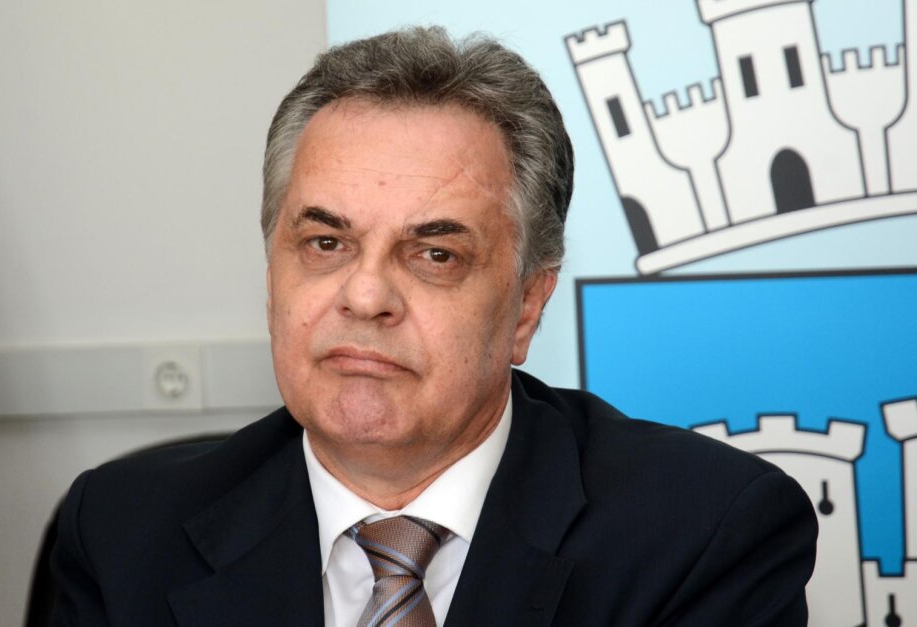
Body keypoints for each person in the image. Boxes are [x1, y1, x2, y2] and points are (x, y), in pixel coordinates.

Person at [50, 26, 817, 626]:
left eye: (435, 254)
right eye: (325, 243)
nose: (365, 295)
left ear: (527, 305)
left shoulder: (703, 534)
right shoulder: (122, 532)